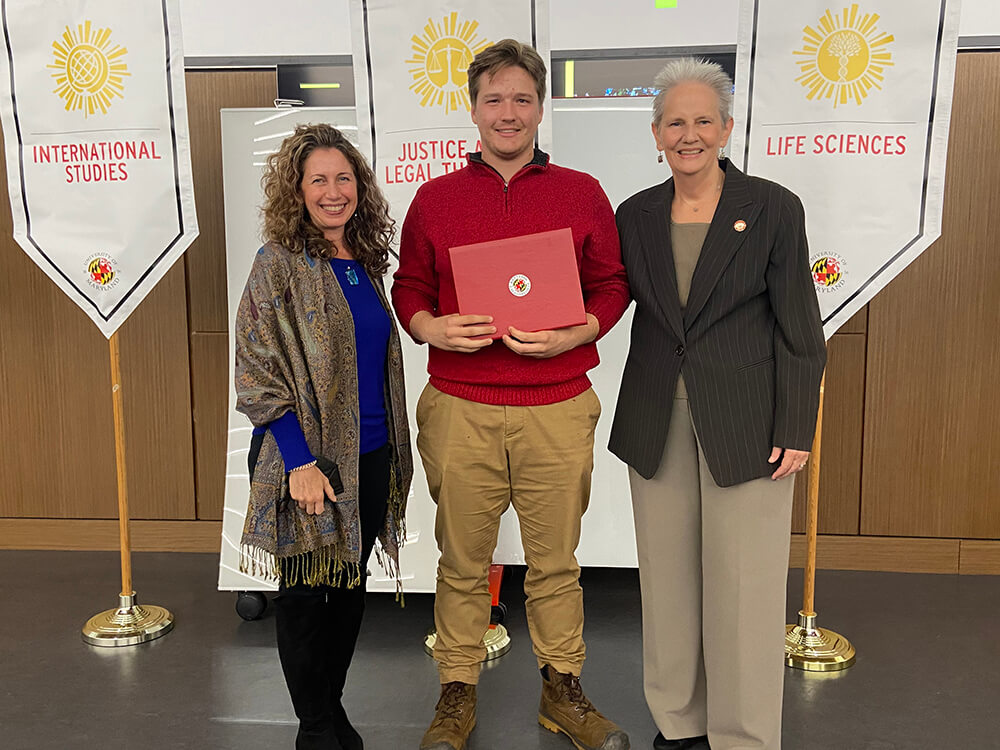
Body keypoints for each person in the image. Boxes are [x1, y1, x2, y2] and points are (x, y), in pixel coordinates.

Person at [392, 39, 631, 750]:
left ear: (539, 108)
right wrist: (433, 324)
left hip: (557, 404)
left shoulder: (582, 193)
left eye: (521, 99)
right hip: (459, 404)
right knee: (462, 559)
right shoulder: (435, 199)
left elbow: (612, 284)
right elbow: (409, 287)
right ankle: (456, 693)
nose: (507, 112)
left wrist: (579, 332)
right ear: (472, 109)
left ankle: (563, 693)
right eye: (493, 99)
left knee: (557, 563)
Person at [609, 58, 827, 750]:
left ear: (727, 129)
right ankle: (679, 723)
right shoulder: (634, 214)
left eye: (704, 119)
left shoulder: (772, 207)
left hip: (748, 424)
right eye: (676, 121)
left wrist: (797, 425)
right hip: (655, 421)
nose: (690, 132)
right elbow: (610, 303)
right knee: (668, 587)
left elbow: (801, 330)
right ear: (656, 134)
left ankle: (742, 734)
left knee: (744, 588)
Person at [235, 123, 413, 750]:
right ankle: (314, 728)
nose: (333, 192)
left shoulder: (363, 264)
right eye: (319, 180)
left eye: (344, 179)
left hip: (371, 456)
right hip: (307, 460)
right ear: (297, 190)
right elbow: (257, 370)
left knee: (348, 591)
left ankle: (329, 711)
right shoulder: (278, 264)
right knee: (308, 595)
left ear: (359, 188)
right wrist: (300, 461)